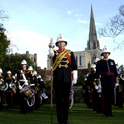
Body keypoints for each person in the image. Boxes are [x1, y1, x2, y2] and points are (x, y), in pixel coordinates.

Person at [49, 34, 77, 124]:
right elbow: (51, 55)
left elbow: (74, 65)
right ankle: (59, 120)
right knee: (58, 100)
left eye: (62, 42)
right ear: (57, 44)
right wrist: (50, 47)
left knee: (66, 100)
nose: (61, 43)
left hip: (67, 79)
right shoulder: (55, 53)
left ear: (65, 43)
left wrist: (75, 76)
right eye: (59, 42)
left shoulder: (70, 53)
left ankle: (65, 119)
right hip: (57, 79)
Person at [96, 46, 118, 117]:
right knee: (105, 97)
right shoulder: (100, 62)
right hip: (104, 80)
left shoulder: (112, 61)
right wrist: (99, 83)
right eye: (105, 53)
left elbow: (115, 72)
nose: (106, 54)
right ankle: (105, 112)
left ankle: (110, 112)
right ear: (102, 54)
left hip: (111, 81)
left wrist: (116, 82)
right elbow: (98, 73)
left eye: (107, 53)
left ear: (109, 54)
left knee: (110, 97)